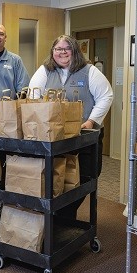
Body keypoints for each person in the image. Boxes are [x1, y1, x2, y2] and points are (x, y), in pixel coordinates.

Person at [29, 34, 113, 219]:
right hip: (57, 138)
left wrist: (91, 121)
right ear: (52, 52)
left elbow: (106, 96)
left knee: (86, 177)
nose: (62, 52)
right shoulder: (45, 71)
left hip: (85, 136)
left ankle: (65, 217)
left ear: (75, 51)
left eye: (66, 48)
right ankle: (58, 220)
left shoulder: (89, 71)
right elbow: (33, 96)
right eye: (58, 49)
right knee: (59, 180)